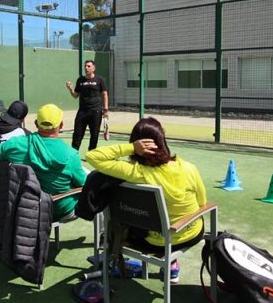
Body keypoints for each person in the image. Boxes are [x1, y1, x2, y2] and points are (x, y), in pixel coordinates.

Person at [86, 117, 207, 284]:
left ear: (137, 145)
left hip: (151, 243)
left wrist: (131, 148)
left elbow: (92, 156)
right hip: (190, 235)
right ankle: (172, 266)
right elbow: (202, 204)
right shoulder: (189, 168)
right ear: (162, 139)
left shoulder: (135, 173)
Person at [0, 103, 87, 222]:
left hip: (24, 207)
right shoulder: (71, 154)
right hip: (60, 210)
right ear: (61, 125)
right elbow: (83, 183)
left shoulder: (14, 144)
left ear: (36, 124)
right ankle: (105, 235)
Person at [66, 59, 108, 151]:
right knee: (77, 133)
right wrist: (70, 89)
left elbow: (105, 94)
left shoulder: (100, 80)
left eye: (89, 66)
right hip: (82, 111)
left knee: (94, 134)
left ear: (94, 68)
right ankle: (74, 153)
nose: (86, 68)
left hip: (96, 111)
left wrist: (105, 110)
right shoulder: (80, 80)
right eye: (85, 66)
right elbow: (75, 95)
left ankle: (91, 153)